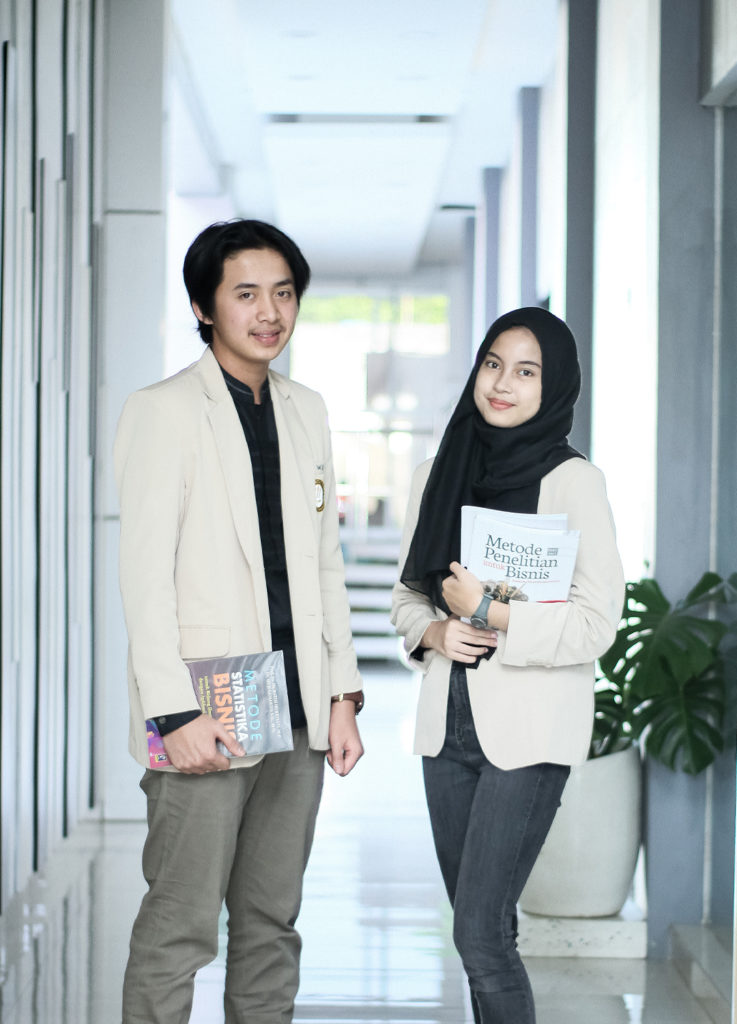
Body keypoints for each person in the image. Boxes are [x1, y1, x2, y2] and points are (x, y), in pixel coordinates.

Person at [114, 218, 364, 1024]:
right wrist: (172, 711)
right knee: (179, 929)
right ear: (203, 306)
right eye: (246, 294)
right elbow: (144, 577)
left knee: (271, 925)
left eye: (283, 293)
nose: (269, 312)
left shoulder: (306, 410)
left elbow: (323, 564)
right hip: (206, 710)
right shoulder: (162, 411)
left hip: (297, 712)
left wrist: (341, 695)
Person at [391, 307, 624, 1024]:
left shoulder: (574, 481)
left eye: (526, 371)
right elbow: (405, 598)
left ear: (554, 387)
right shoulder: (438, 473)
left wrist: (491, 611)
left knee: (479, 934)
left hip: (529, 736)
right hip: (448, 733)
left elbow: (596, 624)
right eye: (493, 364)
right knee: (483, 935)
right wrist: (434, 631)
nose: (501, 383)